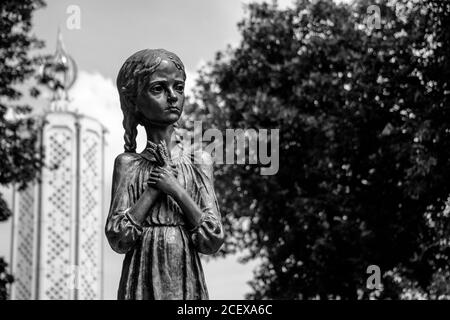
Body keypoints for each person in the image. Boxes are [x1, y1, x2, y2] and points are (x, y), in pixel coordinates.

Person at [105, 49, 224, 300]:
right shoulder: (128, 165)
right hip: (141, 279)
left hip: (185, 279)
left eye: (178, 88)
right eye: (158, 88)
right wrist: (152, 190)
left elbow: (212, 238)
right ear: (135, 100)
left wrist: (175, 189)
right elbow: (119, 239)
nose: (172, 97)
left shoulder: (198, 162)